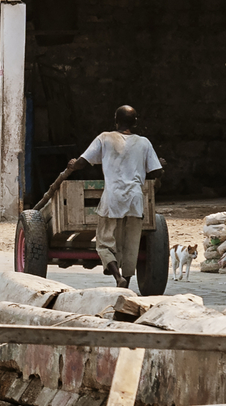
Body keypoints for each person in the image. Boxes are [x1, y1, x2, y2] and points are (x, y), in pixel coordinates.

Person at [63, 106, 163, 287]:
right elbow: (156, 171)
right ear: (135, 122)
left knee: (104, 242)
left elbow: (83, 162)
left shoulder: (105, 138)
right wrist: (161, 165)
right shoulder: (144, 142)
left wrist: (72, 164)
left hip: (113, 199)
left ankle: (118, 278)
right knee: (131, 244)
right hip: (135, 200)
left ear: (115, 120)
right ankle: (127, 281)